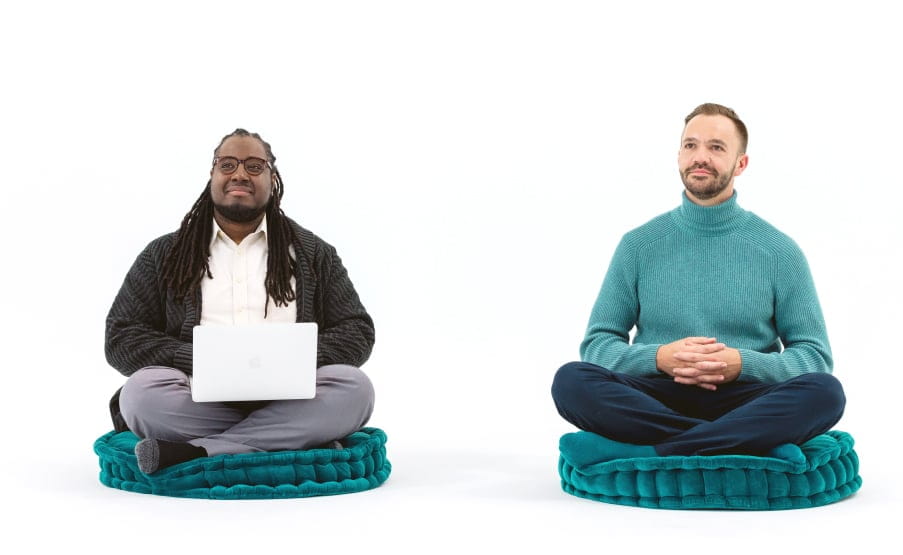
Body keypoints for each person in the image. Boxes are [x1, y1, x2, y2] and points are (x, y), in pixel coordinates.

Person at [551, 103, 845, 459]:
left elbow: (814, 357)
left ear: (741, 164)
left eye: (716, 147)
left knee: (825, 393)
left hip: (746, 398)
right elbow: (597, 346)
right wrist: (660, 358)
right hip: (655, 396)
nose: (700, 157)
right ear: (678, 156)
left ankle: (654, 451)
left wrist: (742, 364)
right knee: (572, 382)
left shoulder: (779, 251)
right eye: (690, 145)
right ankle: (749, 444)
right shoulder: (638, 246)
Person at [106, 129, 375, 473]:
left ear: (272, 178)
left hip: (294, 399)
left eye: (254, 166)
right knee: (140, 395)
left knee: (355, 390)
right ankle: (298, 438)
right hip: (199, 401)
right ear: (212, 174)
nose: (239, 174)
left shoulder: (313, 253)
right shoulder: (165, 254)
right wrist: (197, 358)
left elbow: (357, 331)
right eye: (228, 164)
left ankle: (199, 452)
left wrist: (295, 359)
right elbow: (121, 336)